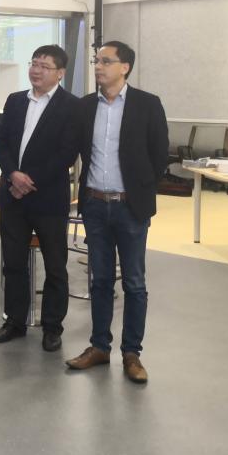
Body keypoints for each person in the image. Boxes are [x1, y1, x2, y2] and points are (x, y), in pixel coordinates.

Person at [65, 41, 168, 384]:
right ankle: (99, 347)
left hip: (130, 207)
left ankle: (132, 353)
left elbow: (159, 155)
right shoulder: (84, 106)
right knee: (100, 280)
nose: (98, 66)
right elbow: (75, 150)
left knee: (134, 283)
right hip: (95, 205)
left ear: (125, 67)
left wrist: (138, 190)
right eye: (96, 61)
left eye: (106, 61)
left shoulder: (147, 104)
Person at [0, 45, 79, 353]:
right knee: (13, 263)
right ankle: (15, 321)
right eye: (34, 63)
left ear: (60, 73)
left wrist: (28, 182)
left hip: (49, 199)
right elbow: (1, 141)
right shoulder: (15, 100)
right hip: (12, 197)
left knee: (55, 266)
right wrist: (13, 174)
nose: (36, 70)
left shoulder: (71, 106)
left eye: (44, 65)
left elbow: (66, 153)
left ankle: (52, 327)